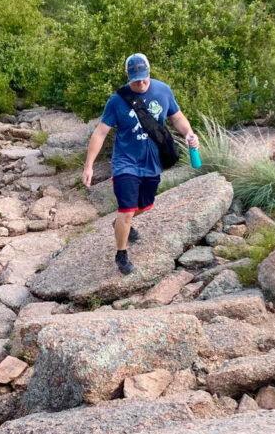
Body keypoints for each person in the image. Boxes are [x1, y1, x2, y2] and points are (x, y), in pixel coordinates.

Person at [82, 53, 199, 276]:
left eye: (144, 78)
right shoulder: (117, 101)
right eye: (136, 80)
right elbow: (100, 133)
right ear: (128, 76)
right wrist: (89, 165)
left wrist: (190, 134)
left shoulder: (163, 90)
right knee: (126, 210)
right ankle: (121, 254)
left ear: (149, 72)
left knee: (144, 206)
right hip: (125, 162)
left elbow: (177, 117)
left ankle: (120, 224)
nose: (141, 83)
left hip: (152, 162)